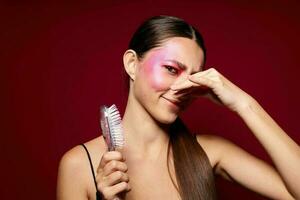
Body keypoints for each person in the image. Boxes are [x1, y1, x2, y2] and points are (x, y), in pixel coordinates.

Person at [57, 15, 300, 200]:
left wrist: (244, 104)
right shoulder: (80, 165)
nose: (183, 86)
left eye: (194, 77)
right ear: (132, 64)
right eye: (172, 69)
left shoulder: (208, 153)